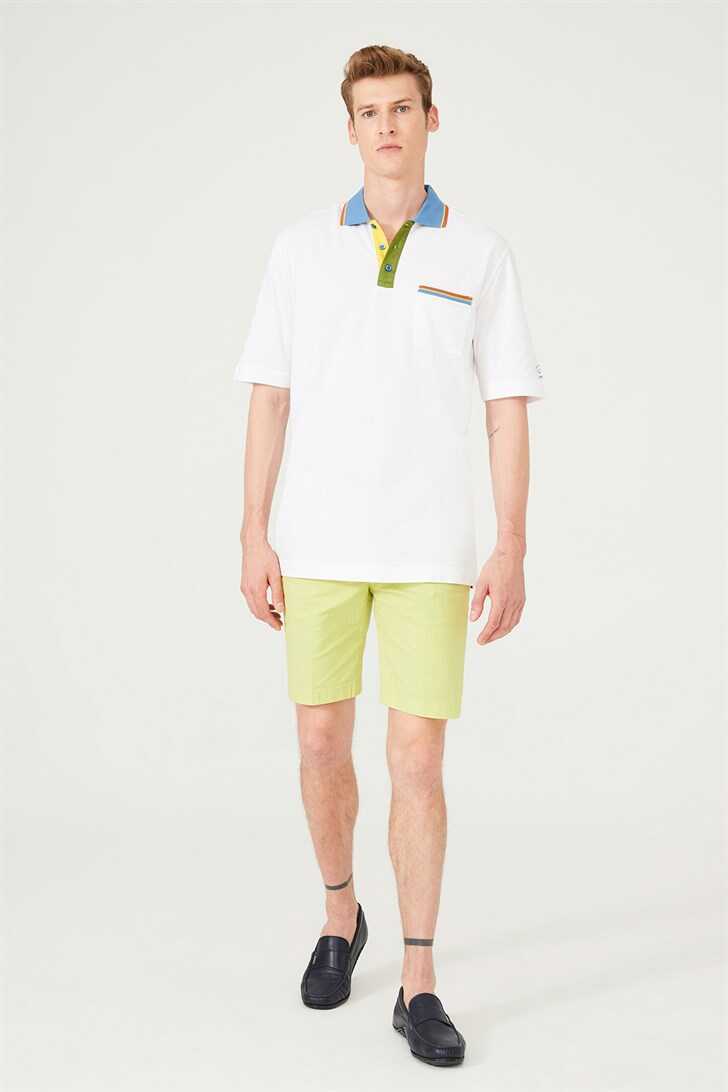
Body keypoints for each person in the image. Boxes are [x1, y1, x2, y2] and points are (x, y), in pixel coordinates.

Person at [234, 44, 545, 1067]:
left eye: (402, 108)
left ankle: (418, 981)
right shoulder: (300, 249)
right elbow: (270, 396)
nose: (386, 126)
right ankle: (340, 916)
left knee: (417, 761)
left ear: (430, 119)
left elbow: (506, 407)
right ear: (350, 128)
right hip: (317, 541)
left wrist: (510, 541)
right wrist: (253, 530)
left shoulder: (478, 252)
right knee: (321, 743)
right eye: (369, 112)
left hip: (430, 548)